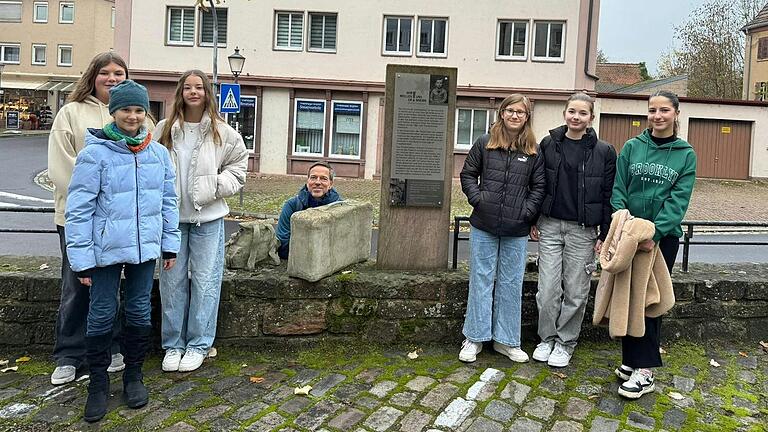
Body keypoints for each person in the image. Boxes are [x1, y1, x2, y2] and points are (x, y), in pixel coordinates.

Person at [65, 80, 180, 422]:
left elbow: (167, 202)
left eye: (138, 110)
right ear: (113, 112)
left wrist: (169, 243)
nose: (132, 116)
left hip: (145, 248)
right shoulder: (94, 154)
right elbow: (79, 209)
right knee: (101, 312)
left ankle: (133, 376)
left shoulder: (158, 154)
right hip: (104, 250)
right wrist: (81, 260)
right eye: (126, 109)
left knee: (139, 311)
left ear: (147, 113)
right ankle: (98, 384)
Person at [47, 51, 142, 386]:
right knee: (76, 284)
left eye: (119, 73)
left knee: (110, 284)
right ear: (93, 76)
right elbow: (62, 168)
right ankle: (69, 353)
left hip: (116, 221)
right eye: (106, 73)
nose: (112, 79)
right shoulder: (71, 113)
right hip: (77, 217)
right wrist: (98, 195)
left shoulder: (130, 117)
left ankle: (110, 347)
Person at [156, 70, 248, 373]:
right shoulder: (164, 130)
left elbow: (239, 167)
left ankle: (199, 343)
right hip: (171, 221)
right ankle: (173, 344)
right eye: (188, 87)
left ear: (207, 92)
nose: (193, 92)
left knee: (207, 283)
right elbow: (150, 166)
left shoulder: (223, 132)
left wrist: (213, 187)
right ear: (180, 92)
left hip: (207, 219)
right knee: (172, 284)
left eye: (199, 87)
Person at [610, 90, 696, 399]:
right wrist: (624, 227)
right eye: (652, 110)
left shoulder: (685, 154)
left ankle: (645, 370)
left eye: (663, 111)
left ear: (675, 114)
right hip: (628, 237)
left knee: (649, 300)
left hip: (661, 241)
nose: (657, 116)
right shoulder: (633, 147)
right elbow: (619, 189)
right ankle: (631, 360)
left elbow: (677, 202)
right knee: (628, 297)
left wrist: (653, 234)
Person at [529, 93, 617, 367]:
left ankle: (565, 343)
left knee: (576, 291)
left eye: (582, 113)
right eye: (571, 112)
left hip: (583, 230)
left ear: (591, 118)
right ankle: (546, 338)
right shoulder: (548, 144)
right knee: (547, 290)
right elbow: (537, 184)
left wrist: (604, 234)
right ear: (564, 113)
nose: (576, 117)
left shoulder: (604, 151)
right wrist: (533, 219)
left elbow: (608, 195)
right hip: (551, 226)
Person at [458, 94, 545, 363]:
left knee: (510, 283)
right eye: (510, 110)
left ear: (527, 116)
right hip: (484, 223)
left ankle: (506, 340)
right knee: (481, 280)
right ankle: (474, 337)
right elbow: (468, 174)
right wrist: (478, 199)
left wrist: (527, 212)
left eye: (521, 112)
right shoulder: (485, 143)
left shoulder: (533, 149)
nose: (515, 115)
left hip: (516, 229)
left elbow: (539, 187)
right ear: (502, 113)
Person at [276, 162, 341, 259]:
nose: (317, 182)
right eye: (313, 177)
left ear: (330, 184)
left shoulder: (340, 207)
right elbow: (282, 242)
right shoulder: (292, 206)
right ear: (308, 181)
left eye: (323, 178)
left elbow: (342, 243)